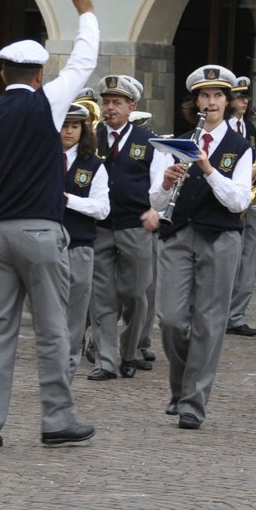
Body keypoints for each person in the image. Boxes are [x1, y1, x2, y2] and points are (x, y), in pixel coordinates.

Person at [0, 0, 99, 449]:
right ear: (38, 76)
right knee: (51, 328)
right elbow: (85, 60)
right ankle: (57, 420)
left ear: (3, 74)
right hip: (40, 229)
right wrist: (85, 10)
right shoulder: (47, 103)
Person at [153, 64, 253, 429]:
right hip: (178, 235)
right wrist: (165, 182)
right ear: (195, 101)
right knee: (172, 320)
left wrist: (209, 169)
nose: (210, 103)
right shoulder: (175, 142)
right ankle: (180, 387)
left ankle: (194, 401)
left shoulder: (240, 147)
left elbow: (238, 201)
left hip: (220, 238)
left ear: (227, 102)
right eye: (204, 96)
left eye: (217, 96)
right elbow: (157, 201)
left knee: (209, 322)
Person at [87, 74, 164, 381]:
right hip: (100, 226)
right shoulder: (90, 137)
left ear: (132, 107)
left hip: (136, 226)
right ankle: (105, 360)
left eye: (117, 103)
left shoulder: (149, 142)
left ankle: (129, 351)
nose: (109, 109)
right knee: (102, 296)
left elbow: (160, 184)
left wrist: (155, 210)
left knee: (134, 294)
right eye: (106, 102)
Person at [60, 96, 110, 372]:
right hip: (45, 244)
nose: (69, 131)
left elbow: (102, 209)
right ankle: (53, 358)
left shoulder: (93, 165)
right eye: (64, 125)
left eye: (75, 126)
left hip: (79, 245)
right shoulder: (41, 160)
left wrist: (67, 199)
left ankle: (67, 364)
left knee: (75, 309)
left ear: (83, 130)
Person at [225, 75, 256, 337]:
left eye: (246, 97)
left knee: (248, 256)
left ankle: (237, 314)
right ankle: (222, 312)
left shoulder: (249, 128)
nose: (244, 101)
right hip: (227, 198)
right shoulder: (220, 127)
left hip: (249, 196)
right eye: (239, 97)